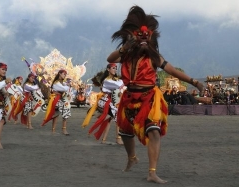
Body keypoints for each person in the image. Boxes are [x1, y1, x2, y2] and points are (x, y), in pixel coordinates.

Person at [106, 5, 204, 183]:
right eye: (139, 37)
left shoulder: (154, 57)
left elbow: (173, 72)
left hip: (149, 99)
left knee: (154, 133)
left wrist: (194, 82)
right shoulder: (125, 55)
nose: (143, 40)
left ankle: (152, 172)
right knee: (126, 134)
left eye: (146, 37)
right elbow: (110, 59)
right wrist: (125, 48)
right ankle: (132, 157)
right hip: (129, 99)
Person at [82, 63, 124, 145]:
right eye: (113, 68)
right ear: (108, 69)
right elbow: (119, 85)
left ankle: (104, 139)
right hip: (107, 101)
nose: (115, 69)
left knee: (108, 120)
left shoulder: (115, 79)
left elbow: (121, 84)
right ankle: (118, 138)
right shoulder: (107, 80)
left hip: (112, 101)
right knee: (118, 118)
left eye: (116, 68)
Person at [41, 69, 71, 135]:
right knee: (65, 111)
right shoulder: (56, 83)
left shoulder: (61, 83)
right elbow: (65, 89)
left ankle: (53, 130)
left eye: (65, 74)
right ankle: (64, 130)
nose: (65, 75)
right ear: (60, 74)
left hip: (59, 99)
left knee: (56, 114)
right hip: (56, 99)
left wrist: (66, 86)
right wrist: (67, 86)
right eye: (64, 74)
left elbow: (66, 89)